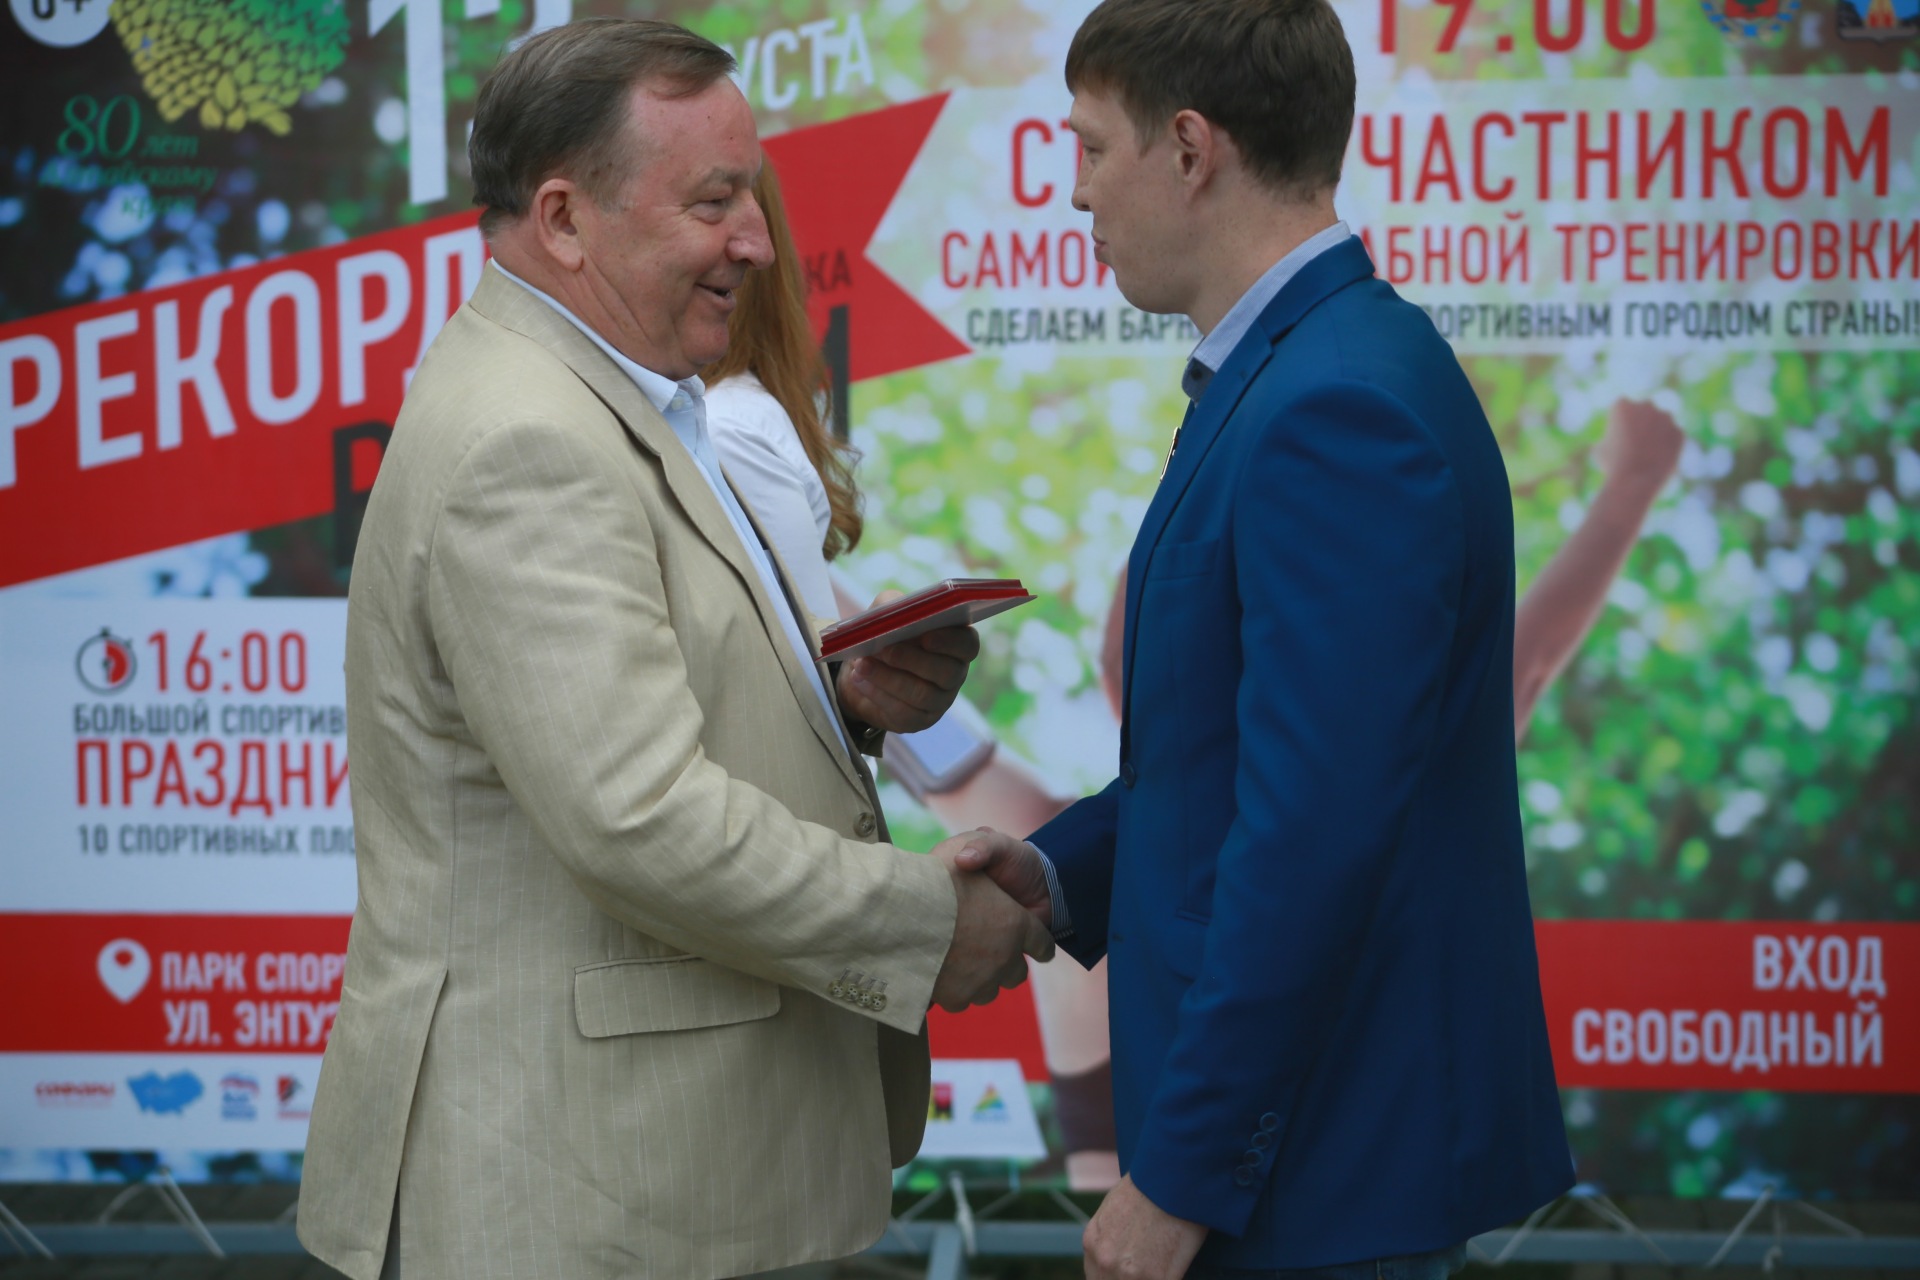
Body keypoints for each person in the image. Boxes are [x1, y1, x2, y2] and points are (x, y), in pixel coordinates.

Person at [294, 20, 1053, 1280]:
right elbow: (638, 814)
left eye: (750, 194)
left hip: (625, 1178)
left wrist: (842, 699)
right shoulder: (530, 442)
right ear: (563, 218)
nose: (757, 239)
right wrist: (927, 919)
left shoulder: (612, 396)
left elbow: (632, 714)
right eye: (714, 202)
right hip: (574, 1191)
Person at [956, 0, 1574, 1274]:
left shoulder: (1334, 402)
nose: (1075, 191)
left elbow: (1315, 831)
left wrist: (1183, 1173)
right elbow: (1243, 762)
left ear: (1190, 149)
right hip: (1308, 1164)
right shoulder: (1303, 370)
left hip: (1315, 1178)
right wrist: (1058, 873)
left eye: (1090, 147)